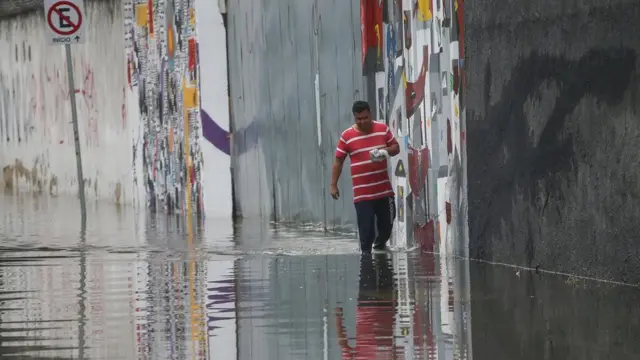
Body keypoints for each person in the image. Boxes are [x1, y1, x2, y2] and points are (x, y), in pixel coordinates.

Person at [330, 100, 399, 253]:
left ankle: (380, 248)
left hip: (384, 192)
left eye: (365, 118)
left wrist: (384, 152)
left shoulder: (382, 129)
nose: (362, 122)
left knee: (386, 226)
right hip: (362, 195)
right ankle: (367, 265)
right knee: (366, 233)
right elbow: (338, 161)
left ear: (370, 114)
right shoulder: (347, 136)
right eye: (358, 119)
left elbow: (396, 147)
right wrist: (333, 184)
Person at [334, 253, 396, 359]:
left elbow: (343, 344)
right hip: (384, 310)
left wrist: (338, 318)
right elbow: (342, 344)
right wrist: (338, 318)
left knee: (370, 264)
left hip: (369, 308)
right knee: (382, 263)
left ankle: (371, 244)